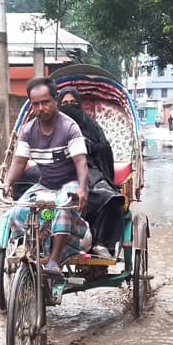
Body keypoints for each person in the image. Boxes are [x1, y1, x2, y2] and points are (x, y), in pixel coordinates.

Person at [0, 77, 90, 276]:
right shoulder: (27, 130)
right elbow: (18, 162)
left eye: (45, 102)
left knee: (63, 208)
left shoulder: (69, 127)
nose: (41, 108)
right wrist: (7, 183)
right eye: (36, 104)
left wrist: (82, 188)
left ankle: (54, 260)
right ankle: (32, 247)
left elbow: (80, 162)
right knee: (16, 214)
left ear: (55, 100)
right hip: (45, 183)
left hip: (69, 182)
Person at [56, 86, 125, 258]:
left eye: (73, 102)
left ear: (79, 104)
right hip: (59, 170)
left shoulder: (91, 126)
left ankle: (101, 243)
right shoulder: (53, 125)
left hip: (90, 170)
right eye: (64, 103)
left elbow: (105, 150)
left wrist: (88, 146)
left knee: (110, 197)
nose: (69, 106)